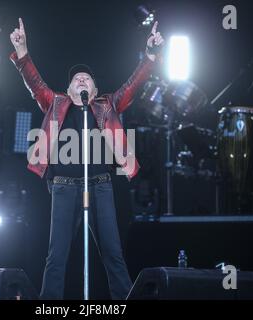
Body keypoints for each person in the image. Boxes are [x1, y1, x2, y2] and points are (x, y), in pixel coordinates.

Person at [10, 18, 164, 300]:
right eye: (76, 78)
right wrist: (22, 51)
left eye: (87, 78)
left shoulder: (108, 104)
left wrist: (150, 55)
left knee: (113, 254)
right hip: (64, 186)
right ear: (68, 90)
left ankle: (122, 301)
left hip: (100, 185)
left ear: (93, 90)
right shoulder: (54, 102)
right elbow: (34, 83)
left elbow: (133, 85)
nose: (81, 78)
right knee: (56, 256)